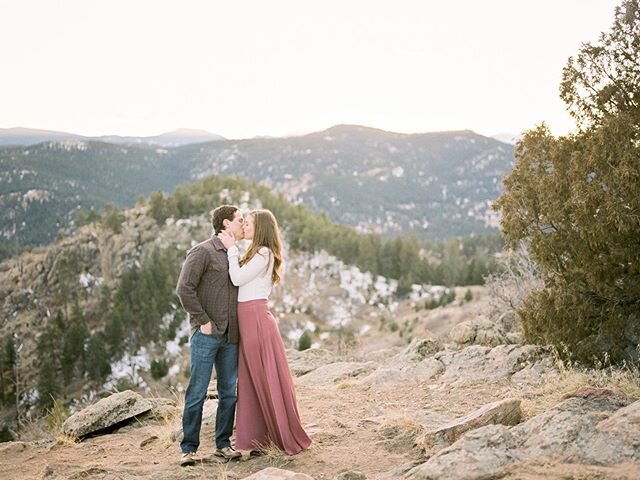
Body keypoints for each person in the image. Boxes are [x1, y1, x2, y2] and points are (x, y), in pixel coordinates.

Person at [219, 209, 312, 456]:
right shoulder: (255, 252)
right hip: (249, 318)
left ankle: (279, 433)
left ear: (259, 228)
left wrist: (230, 249)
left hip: (256, 318)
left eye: (248, 223)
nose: (245, 227)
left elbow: (237, 279)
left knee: (264, 375)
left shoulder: (263, 253)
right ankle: (260, 437)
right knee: (252, 378)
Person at [176, 204, 245, 466]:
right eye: (239, 220)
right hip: (206, 334)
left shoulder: (235, 253)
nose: (243, 224)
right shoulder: (202, 251)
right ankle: (189, 448)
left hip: (231, 337)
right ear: (225, 224)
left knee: (229, 392)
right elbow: (184, 289)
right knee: (198, 391)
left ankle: (223, 445)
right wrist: (202, 321)